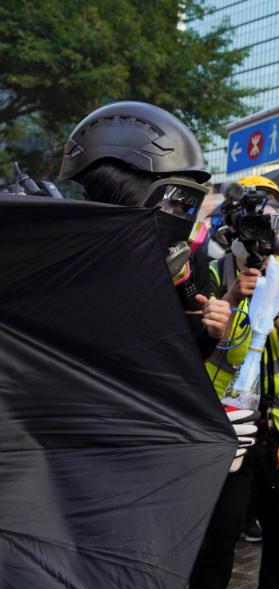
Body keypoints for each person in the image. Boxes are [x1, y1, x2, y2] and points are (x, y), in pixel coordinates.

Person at [57, 101, 251, 470]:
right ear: (121, 191)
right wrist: (190, 430)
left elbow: (173, 361)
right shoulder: (66, 271)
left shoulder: (182, 261)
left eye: (188, 205)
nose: (180, 218)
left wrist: (211, 332)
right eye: (173, 201)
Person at [188, 175, 279, 589]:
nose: (262, 230)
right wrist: (233, 299)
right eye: (253, 219)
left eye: (271, 218)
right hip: (230, 427)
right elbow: (204, 350)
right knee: (219, 535)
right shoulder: (211, 272)